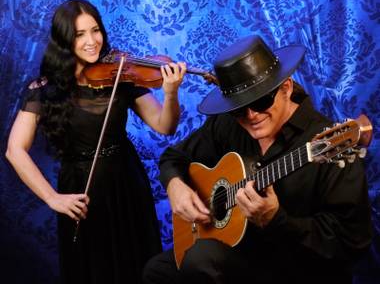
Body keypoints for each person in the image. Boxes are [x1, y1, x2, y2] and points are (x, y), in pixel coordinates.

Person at [142, 35, 373, 283]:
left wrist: (276, 220)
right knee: (158, 271)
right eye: (239, 108)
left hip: (298, 268)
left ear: (285, 88)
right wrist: (176, 186)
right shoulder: (228, 124)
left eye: (262, 101)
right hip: (243, 257)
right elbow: (173, 157)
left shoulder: (329, 143)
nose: (252, 116)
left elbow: (352, 242)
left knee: (201, 258)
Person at [5, 0, 186, 284]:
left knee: (137, 266)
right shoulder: (43, 90)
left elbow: (165, 126)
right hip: (80, 191)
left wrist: (171, 93)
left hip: (126, 182)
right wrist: (53, 198)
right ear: (65, 40)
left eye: (95, 30)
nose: (92, 41)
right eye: (80, 34)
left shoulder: (122, 75)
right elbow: (15, 150)